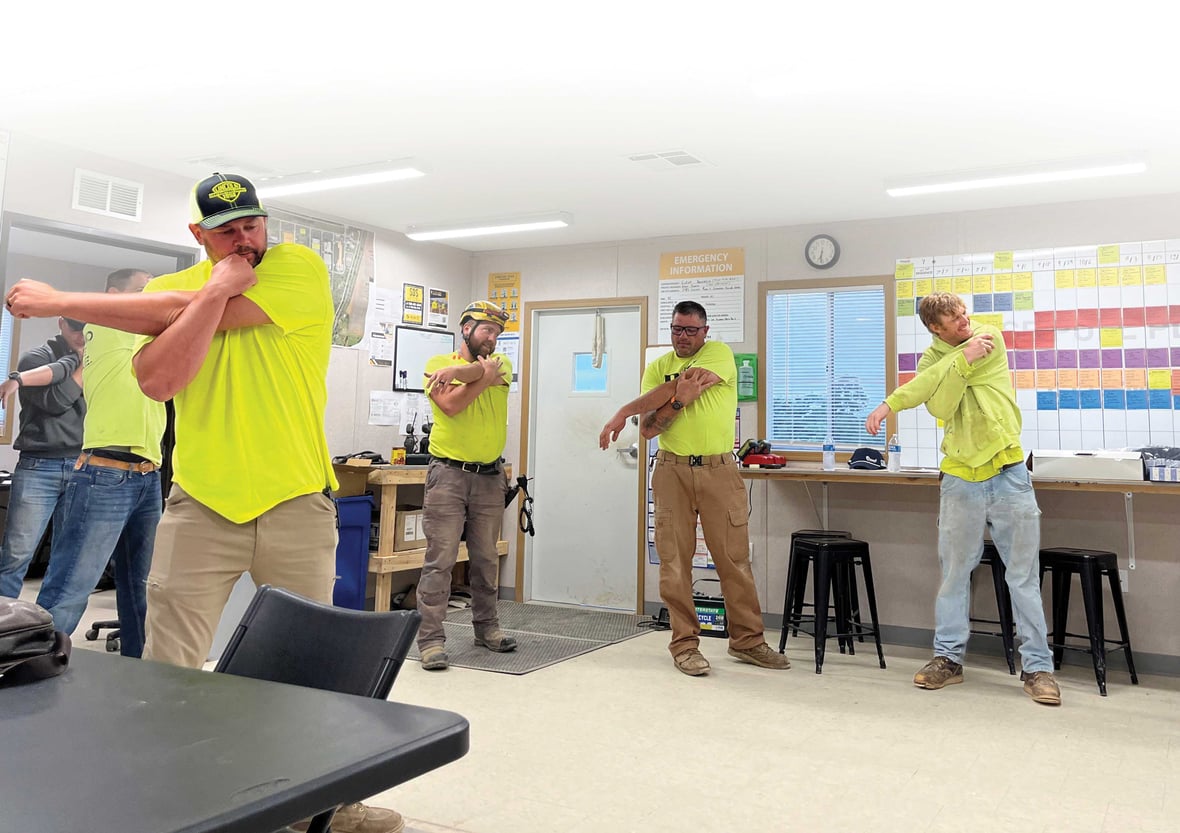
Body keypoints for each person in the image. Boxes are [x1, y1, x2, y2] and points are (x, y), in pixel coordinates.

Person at [5, 173, 404, 833]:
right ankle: (169, 797)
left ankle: (322, 807)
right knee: (168, 667)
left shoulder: (299, 269)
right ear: (198, 235)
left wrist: (59, 299)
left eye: (253, 222)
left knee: (311, 666)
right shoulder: (171, 290)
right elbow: (159, 378)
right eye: (227, 230)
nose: (245, 239)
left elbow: (177, 314)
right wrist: (213, 290)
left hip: (295, 500)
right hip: (200, 506)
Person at [864, 291, 1060, 706]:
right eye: (953, 318)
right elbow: (941, 405)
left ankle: (1038, 668)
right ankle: (948, 660)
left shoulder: (989, 337)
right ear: (936, 328)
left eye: (963, 313)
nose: (964, 320)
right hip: (959, 479)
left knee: (1022, 576)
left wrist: (954, 365)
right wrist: (952, 365)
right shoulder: (929, 363)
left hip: (1009, 472)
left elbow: (935, 388)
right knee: (954, 575)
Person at [598, 300, 788, 677]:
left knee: (733, 560)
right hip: (671, 471)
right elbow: (650, 427)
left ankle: (748, 642)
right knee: (674, 562)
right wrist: (679, 398)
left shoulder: (719, 354)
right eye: (675, 330)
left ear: (705, 331)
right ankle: (684, 646)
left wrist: (635, 408)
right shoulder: (657, 367)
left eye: (690, 330)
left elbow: (665, 400)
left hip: (719, 469)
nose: (682, 337)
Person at [31, 269, 165, 658]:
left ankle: (138, 674)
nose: (150, 298)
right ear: (113, 295)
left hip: (147, 475)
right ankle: (30, 669)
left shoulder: (147, 337)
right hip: (105, 473)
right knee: (70, 588)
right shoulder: (106, 323)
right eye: (143, 291)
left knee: (141, 587)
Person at [416, 300, 516, 671]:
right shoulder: (433, 366)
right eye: (485, 330)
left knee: (486, 559)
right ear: (466, 329)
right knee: (439, 560)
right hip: (448, 475)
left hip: (491, 476)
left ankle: (486, 628)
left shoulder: (502, 364)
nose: (492, 338)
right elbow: (452, 406)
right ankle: (430, 640)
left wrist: (463, 372)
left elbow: (480, 376)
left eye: (497, 333)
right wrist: (480, 377)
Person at [0, 317, 86, 599]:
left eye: (87, 328)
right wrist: (83, 364)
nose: (81, 334)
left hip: (81, 464)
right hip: (39, 466)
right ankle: (5, 629)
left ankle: (48, 630)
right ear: (61, 323)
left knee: (66, 557)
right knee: (17, 554)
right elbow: (56, 401)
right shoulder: (35, 358)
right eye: (75, 327)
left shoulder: (96, 360)